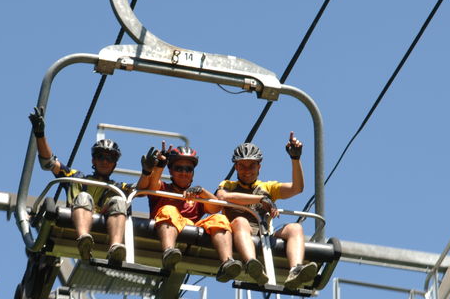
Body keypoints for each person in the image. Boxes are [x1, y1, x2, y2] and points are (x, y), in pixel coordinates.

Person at [29, 107, 131, 262]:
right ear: (93, 161)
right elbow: (48, 162)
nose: (105, 161)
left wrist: (153, 168)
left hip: (104, 222)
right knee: (83, 196)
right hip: (74, 219)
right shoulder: (76, 177)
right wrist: (40, 134)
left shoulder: (118, 187)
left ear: (114, 164)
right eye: (101, 157)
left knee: (119, 201)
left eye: (109, 159)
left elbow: (143, 188)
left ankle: (115, 247)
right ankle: (83, 238)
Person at [215, 134, 317, 289]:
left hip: (264, 234)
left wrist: (295, 159)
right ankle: (252, 263)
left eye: (252, 166)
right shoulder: (228, 185)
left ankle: (295, 269)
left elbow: (297, 188)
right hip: (239, 231)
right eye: (242, 165)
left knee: (295, 228)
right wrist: (260, 200)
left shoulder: (267, 187)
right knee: (241, 221)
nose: (247, 171)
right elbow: (222, 196)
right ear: (236, 167)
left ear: (259, 167)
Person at [136, 144, 243, 282]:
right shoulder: (162, 188)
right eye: (178, 168)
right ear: (171, 171)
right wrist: (160, 165)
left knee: (219, 218)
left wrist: (201, 191)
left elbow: (216, 208)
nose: (184, 172)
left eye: (188, 169)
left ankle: (227, 263)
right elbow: (152, 185)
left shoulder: (195, 196)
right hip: (165, 226)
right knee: (169, 210)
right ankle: (168, 252)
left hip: (190, 226)